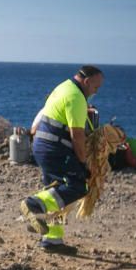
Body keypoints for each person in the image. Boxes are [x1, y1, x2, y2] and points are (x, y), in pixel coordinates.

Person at [19, 66, 104, 252]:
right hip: (55, 149)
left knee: (56, 193)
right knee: (77, 187)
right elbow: (77, 135)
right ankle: (34, 204)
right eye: (96, 88)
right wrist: (82, 163)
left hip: (43, 146)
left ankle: (52, 240)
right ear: (87, 82)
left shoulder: (64, 87)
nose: (96, 92)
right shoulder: (76, 97)